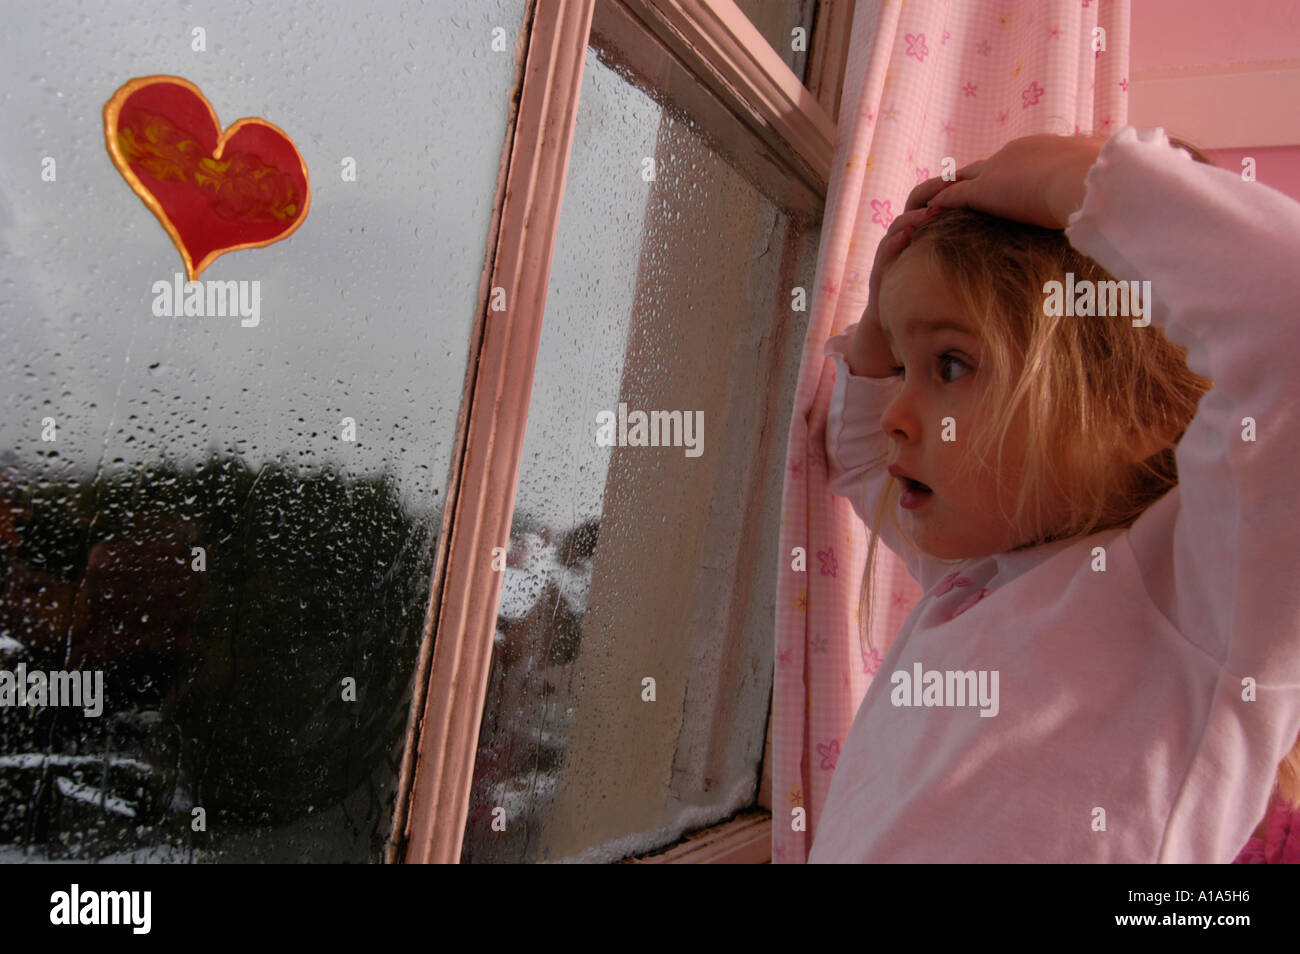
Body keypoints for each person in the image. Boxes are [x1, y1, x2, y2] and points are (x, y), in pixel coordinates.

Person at [810, 127, 1300, 862]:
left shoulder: (1197, 591)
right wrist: (883, 321)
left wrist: (1077, 181)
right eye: (901, 369)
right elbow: (854, 457)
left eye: (948, 365)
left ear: (1136, 411)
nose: (893, 416)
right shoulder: (976, 578)